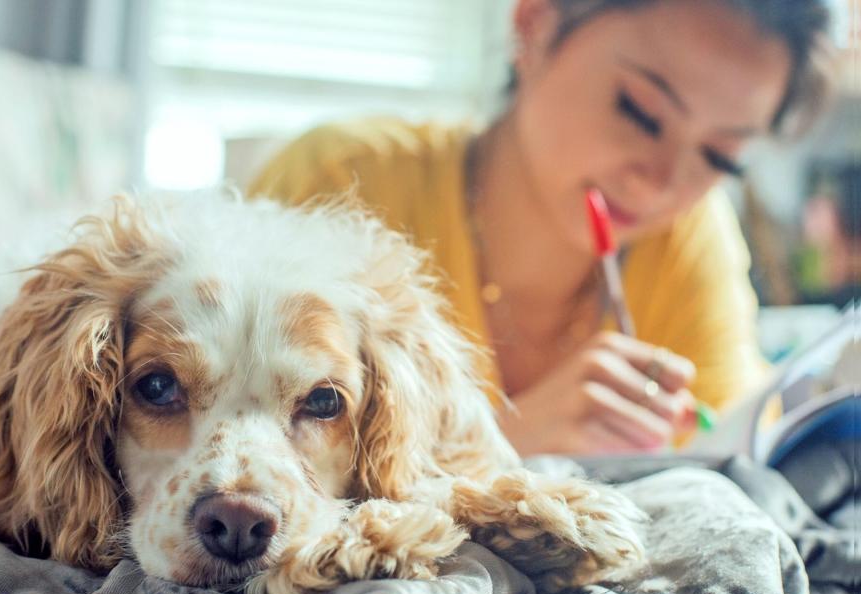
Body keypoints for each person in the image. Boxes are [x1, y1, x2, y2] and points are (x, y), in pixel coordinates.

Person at [249, 0, 832, 455]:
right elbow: (234, 453)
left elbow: (733, 453)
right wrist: (501, 444)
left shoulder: (686, 237)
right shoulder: (338, 186)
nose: (661, 183)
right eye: (640, 111)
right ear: (535, 26)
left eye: (718, 156)